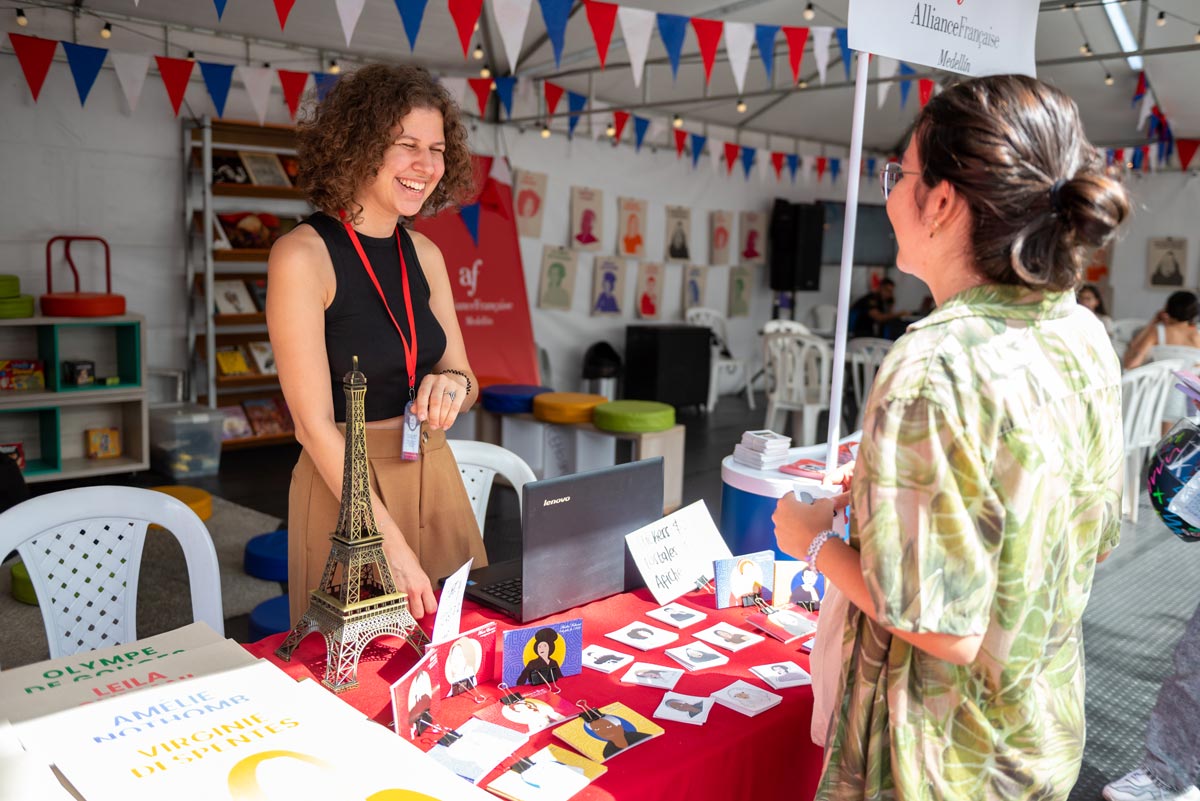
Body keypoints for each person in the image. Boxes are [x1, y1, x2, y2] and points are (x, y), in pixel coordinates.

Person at [772, 74, 1128, 800]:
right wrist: (882, 499)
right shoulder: (1080, 331)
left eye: (897, 175)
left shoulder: (933, 364)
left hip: (938, 759)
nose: (888, 196)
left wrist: (812, 541)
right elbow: (1076, 531)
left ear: (940, 202)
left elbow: (943, 629)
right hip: (1038, 731)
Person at [269, 64, 488, 626]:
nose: (427, 166)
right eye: (406, 145)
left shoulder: (427, 255)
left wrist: (450, 386)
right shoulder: (303, 256)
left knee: (461, 649)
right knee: (360, 668)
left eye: (437, 150)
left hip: (433, 469)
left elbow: (467, 381)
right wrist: (384, 540)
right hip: (344, 483)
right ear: (357, 147)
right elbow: (311, 426)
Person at [1123, 291, 1200, 431]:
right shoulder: (1197, 336)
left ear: (1168, 308)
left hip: (1154, 402)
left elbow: (1131, 363)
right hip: (1189, 405)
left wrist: (1152, 323)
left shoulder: (1158, 331)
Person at [585, 714, 651, 759]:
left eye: (608, 726)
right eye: (597, 729)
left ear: (619, 727)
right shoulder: (608, 752)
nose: (604, 731)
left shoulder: (639, 737)